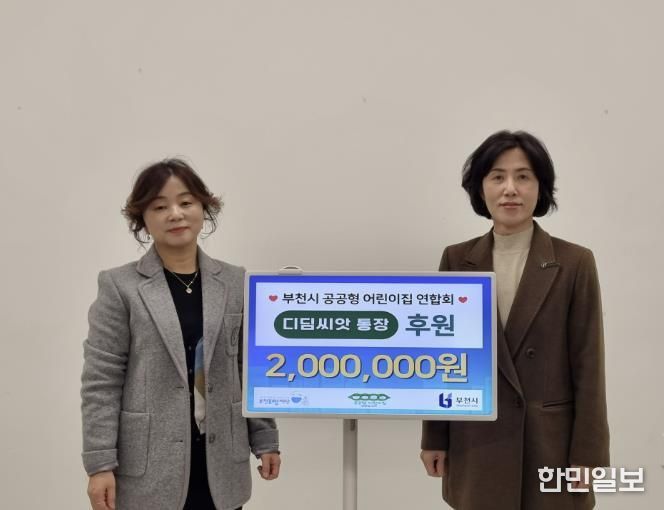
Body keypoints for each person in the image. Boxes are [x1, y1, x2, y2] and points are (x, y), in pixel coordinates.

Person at [420, 131, 609, 509]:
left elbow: (589, 366)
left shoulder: (574, 262)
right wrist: (434, 437)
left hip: (549, 442)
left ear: (541, 187)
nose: (510, 189)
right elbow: (444, 358)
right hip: (477, 440)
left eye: (523, 176)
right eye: (497, 176)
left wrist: (589, 454)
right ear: (480, 188)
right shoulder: (457, 260)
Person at [81, 159, 280, 510]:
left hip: (221, 462)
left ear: (204, 208)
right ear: (142, 219)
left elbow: (249, 368)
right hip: (149, 465)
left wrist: (265, 439)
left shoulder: (235, 281)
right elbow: (102, 381)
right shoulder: (119, 286)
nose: (175, 214)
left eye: (186, 202)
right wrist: (100, 463)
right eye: (160, 207)